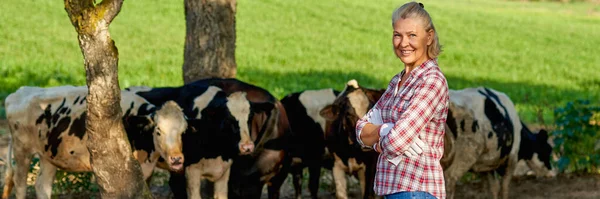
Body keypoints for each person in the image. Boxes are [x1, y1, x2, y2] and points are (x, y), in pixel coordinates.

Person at [355, 2, 449, 199]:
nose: (403, 43)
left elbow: (397, 141)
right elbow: (360, 129)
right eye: (398, 35)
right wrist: (384, 130)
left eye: (412, 35)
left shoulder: (431, 81)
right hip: (396, 190)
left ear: (429, 37)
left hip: (416, 189)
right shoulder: (397, 82)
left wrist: (381, 139)